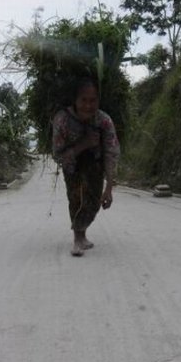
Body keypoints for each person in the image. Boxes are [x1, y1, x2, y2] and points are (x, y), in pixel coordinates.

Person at [52, 78, 120, 257]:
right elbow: (57, 155)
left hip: (96, 167)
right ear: (75, 100)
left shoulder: (104, 120)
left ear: (98, 100)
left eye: (93, 100)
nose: (88, 106)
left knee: (93, 202)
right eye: (84, 100)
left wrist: (109, 188)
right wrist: (83, 144)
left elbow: (111, 152)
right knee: (76, 198)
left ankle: (82, 234)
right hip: (72, 167)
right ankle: (77, 237)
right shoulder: (62, 120)